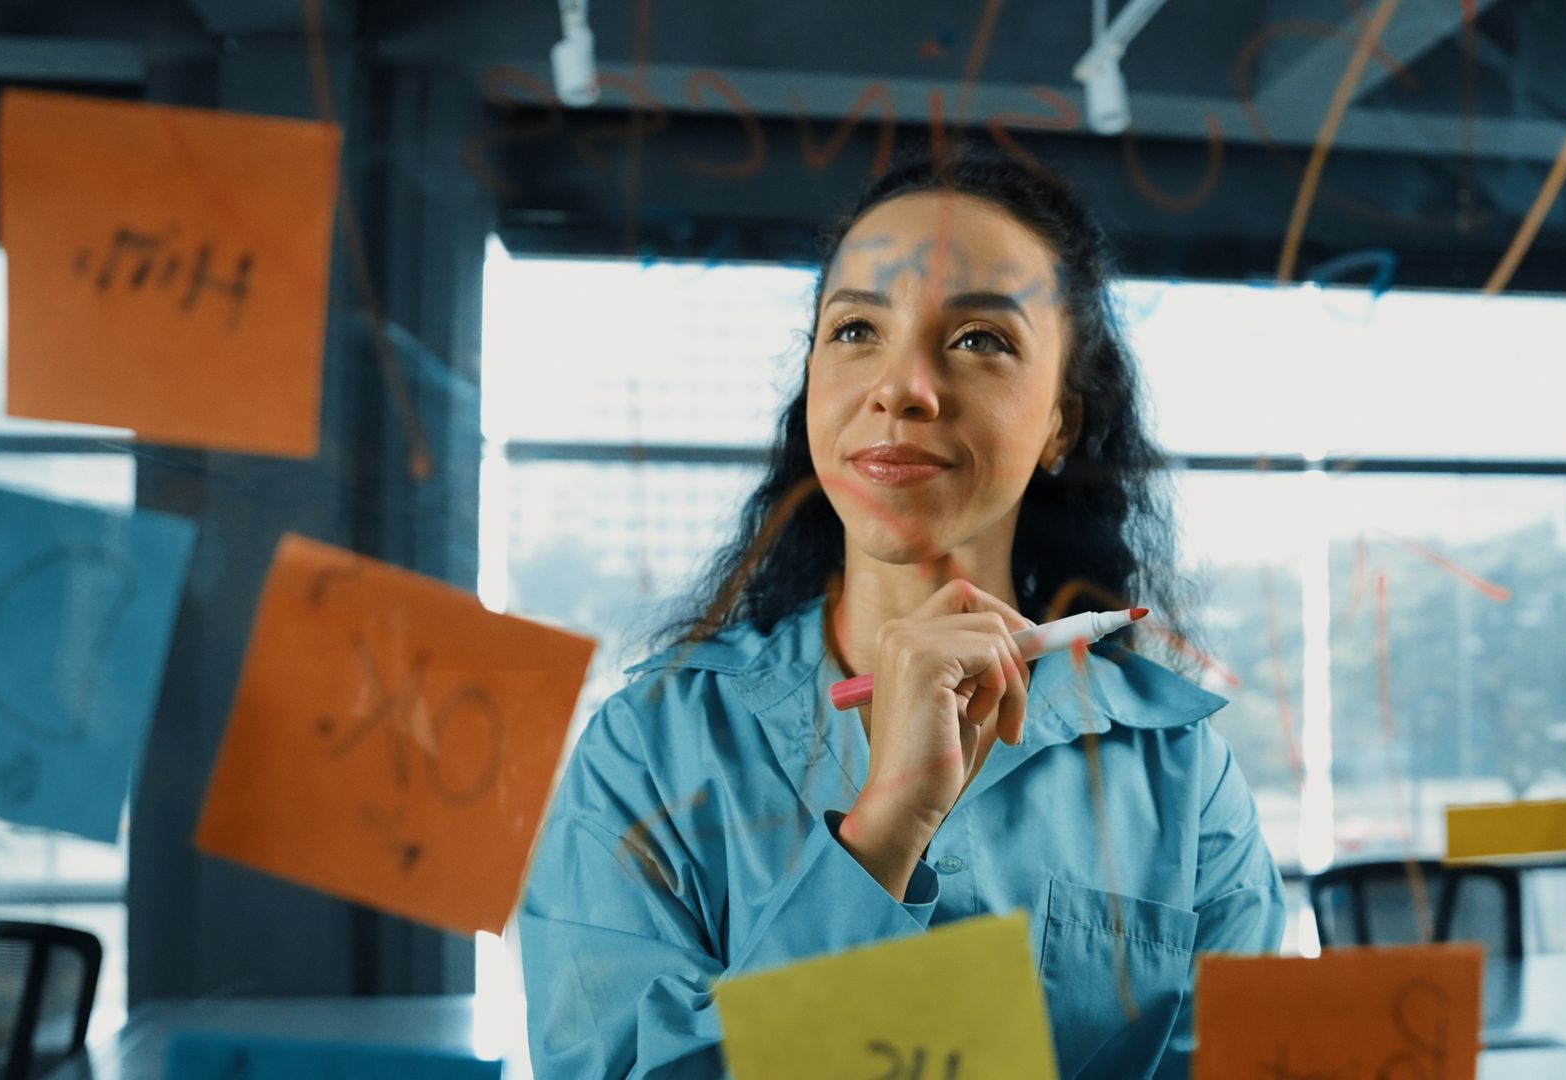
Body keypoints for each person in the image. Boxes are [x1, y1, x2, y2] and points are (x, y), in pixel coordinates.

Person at [518, 144, 1284, 1078]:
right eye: (854, 331)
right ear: (813, 385)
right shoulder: (649, 749)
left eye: (979, 341)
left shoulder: (1179, 772)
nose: (902, 388)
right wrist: (881, 835)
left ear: (1061, 425)